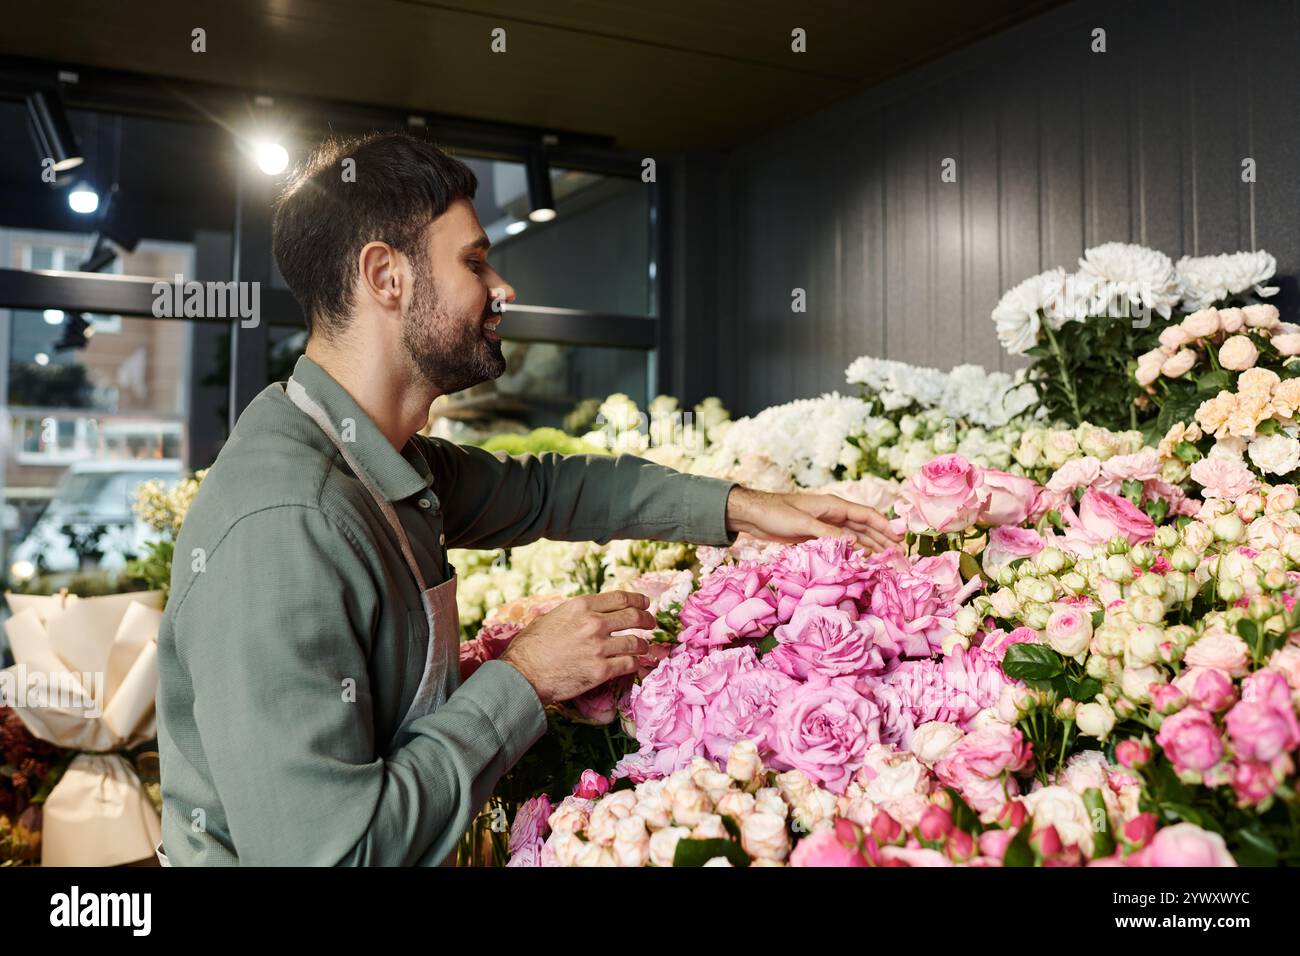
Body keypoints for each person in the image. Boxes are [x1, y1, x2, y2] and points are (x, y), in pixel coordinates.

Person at [155, 131, 899, 865]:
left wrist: (743, 506)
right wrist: (525, 679)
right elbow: (332, 853)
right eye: (474, 261)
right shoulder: (288, 524)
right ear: (386, 276)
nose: (501, 288)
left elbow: (546, 490)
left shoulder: (370, 456)